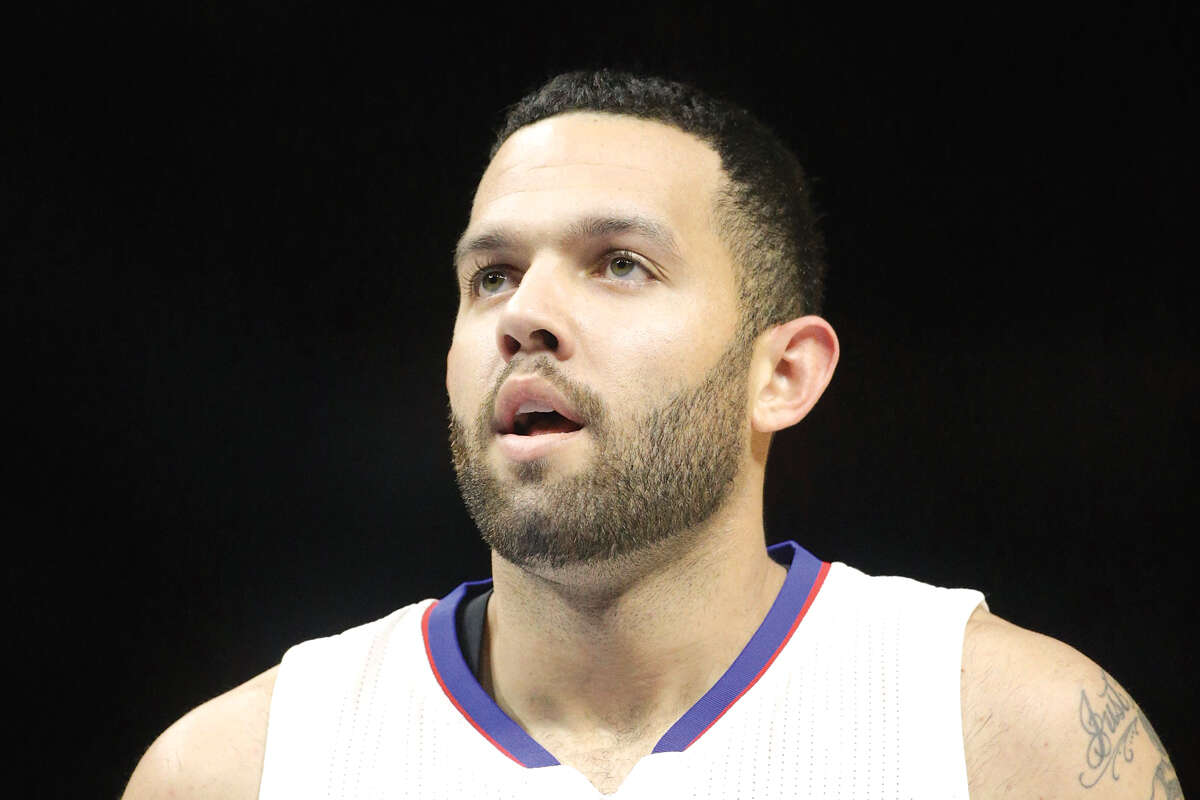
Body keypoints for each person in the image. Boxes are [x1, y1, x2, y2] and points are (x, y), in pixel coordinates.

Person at [121, 71, 1183, 799]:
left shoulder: (1014, 741)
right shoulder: (239, 771)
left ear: (783, 374)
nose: (524, 314)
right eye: (492, 275)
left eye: (619, 264)